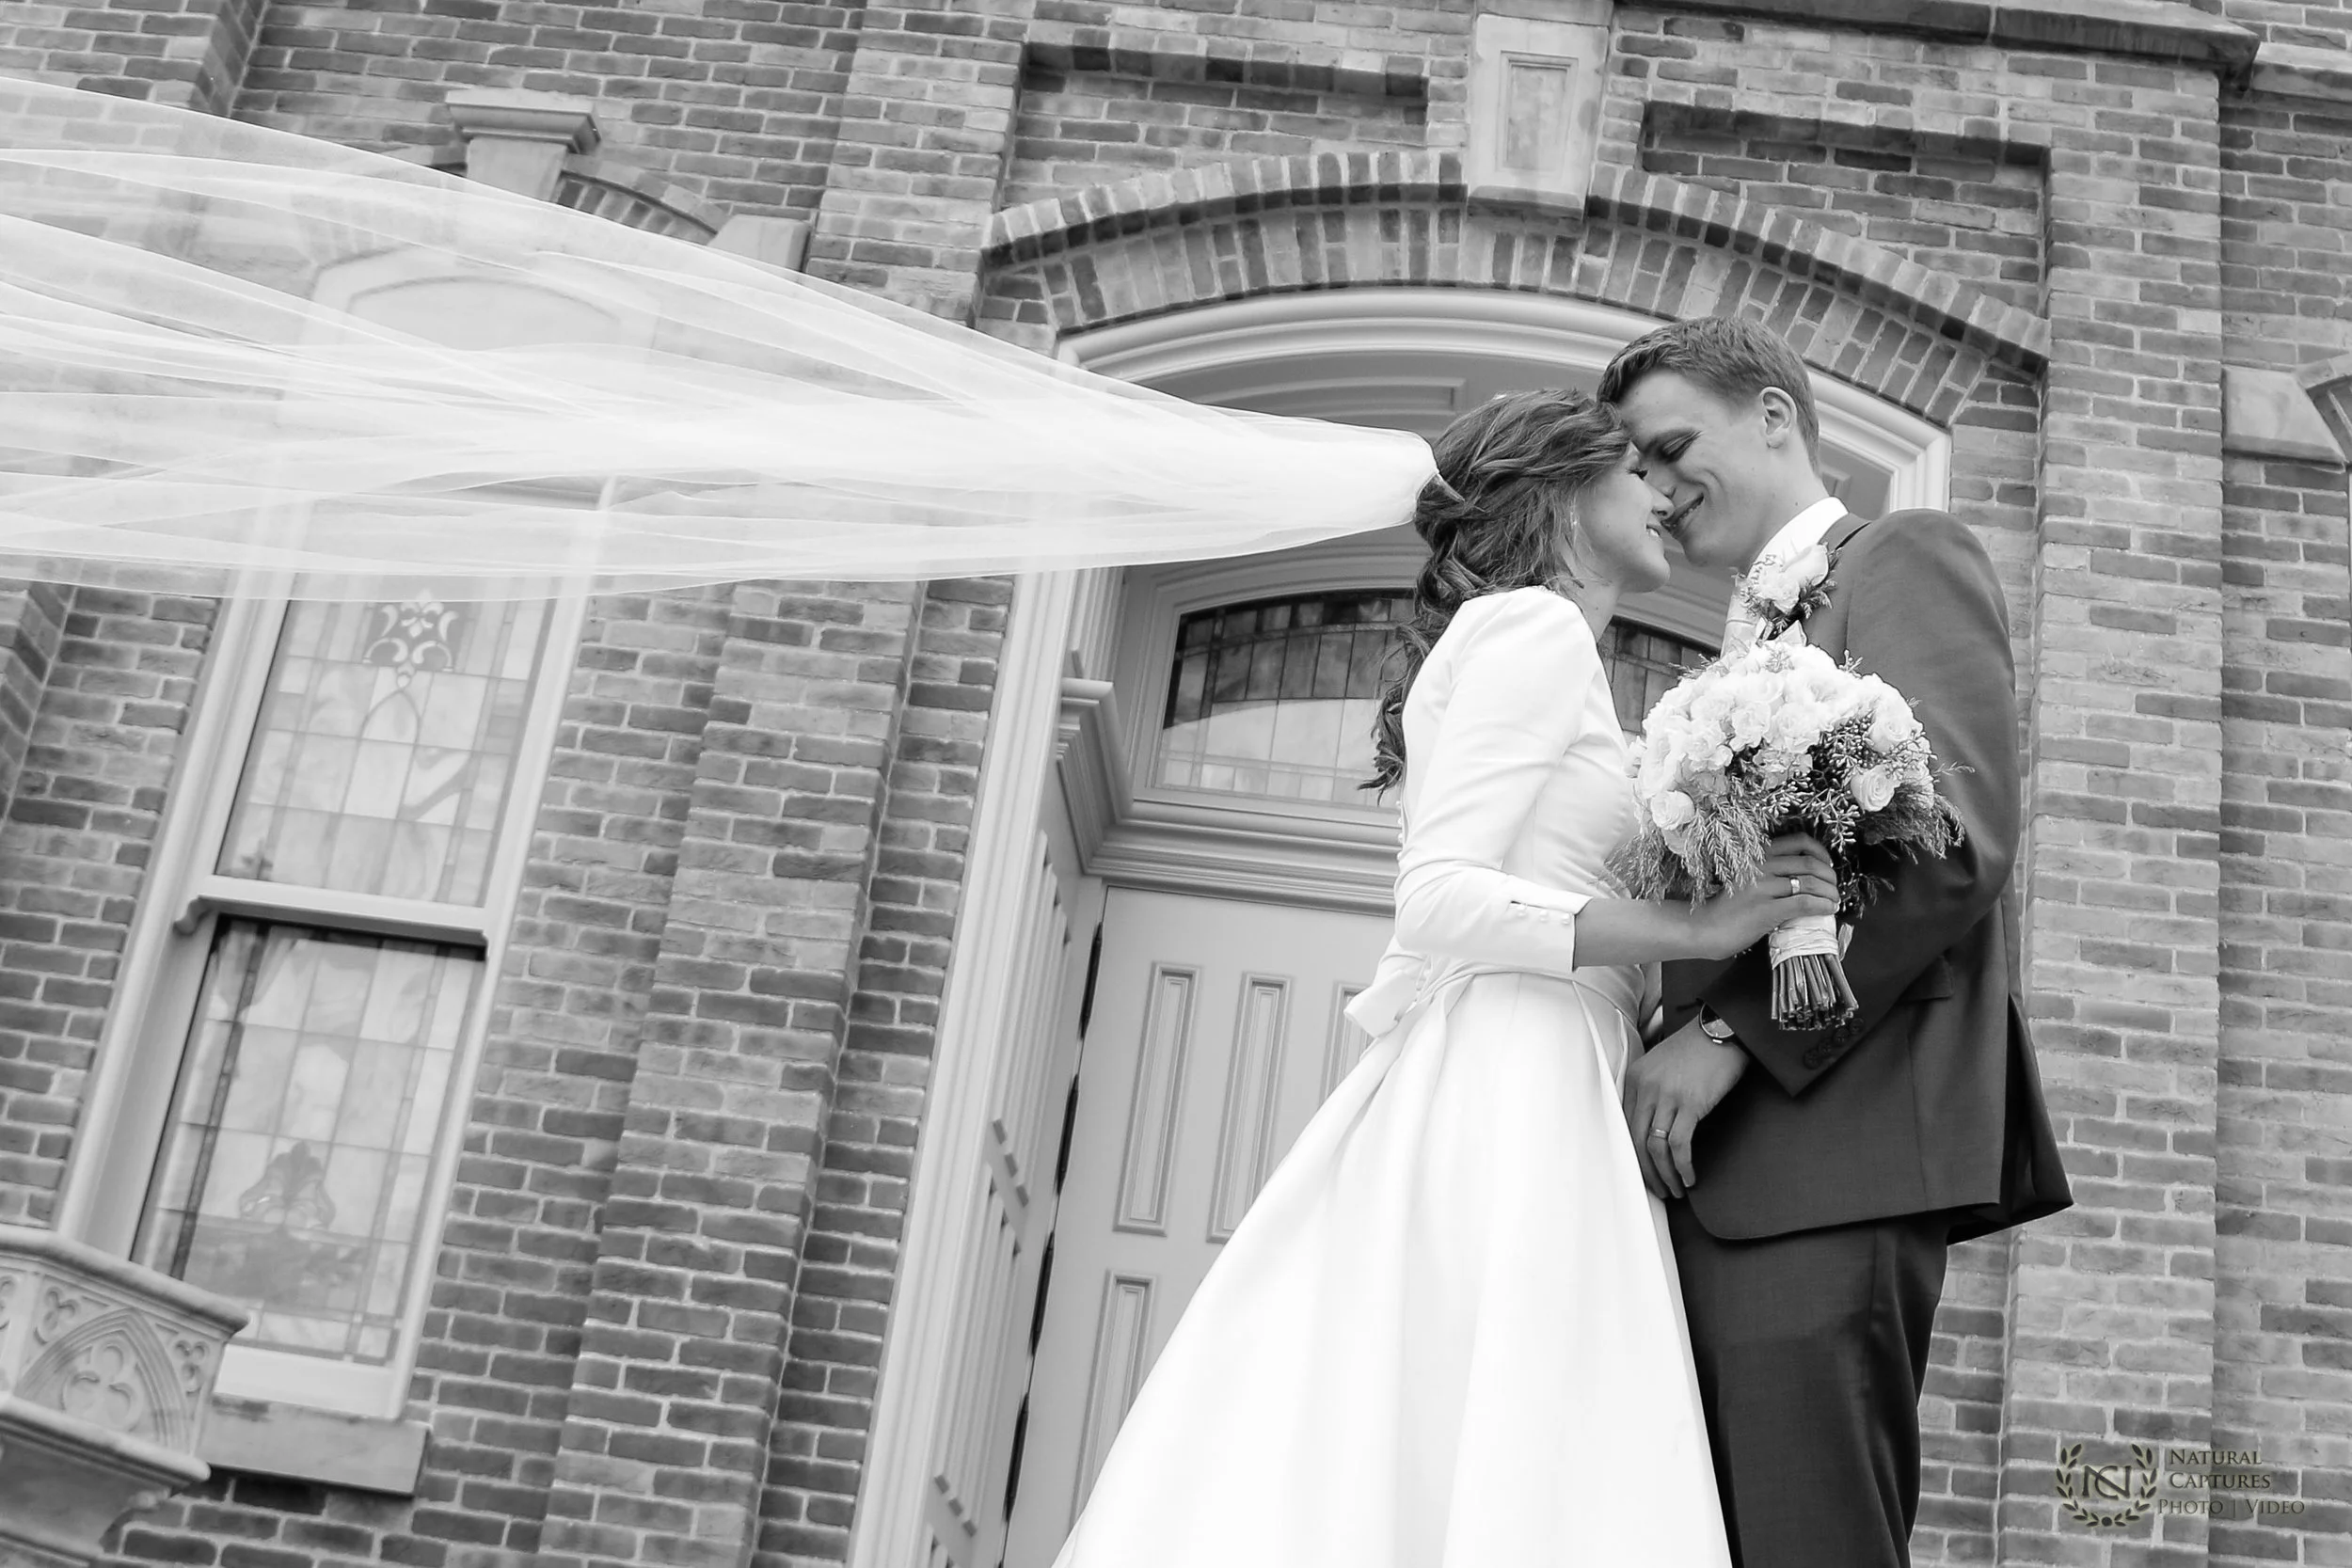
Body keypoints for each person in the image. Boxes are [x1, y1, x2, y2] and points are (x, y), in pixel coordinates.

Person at [1046, 388, 1837, 1568]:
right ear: (1565, 490)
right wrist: (1704, 927)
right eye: (1632, 468)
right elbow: (1441, 897)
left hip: (1552, 1052)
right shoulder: (1536, 629)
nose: (1657, 492)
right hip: (1516, 1063)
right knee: (1516, 1417)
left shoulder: (1536, 640)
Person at [1599, 317, 2073, 1568]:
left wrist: (1723, 1032)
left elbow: (1952, 840)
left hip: (1831, 1155)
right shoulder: (1735, 650)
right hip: (1720, 1176)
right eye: (1635, 468)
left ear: (1772, 412)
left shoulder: (1904, 555)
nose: (1650, 486)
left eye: (1667, 446)